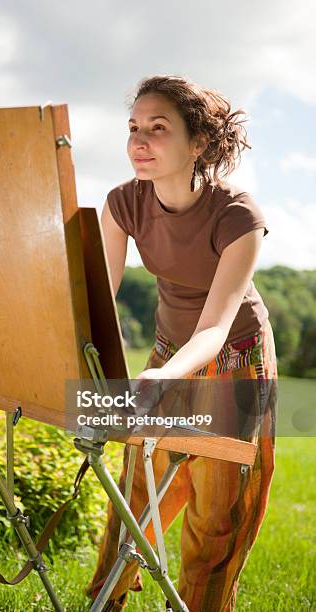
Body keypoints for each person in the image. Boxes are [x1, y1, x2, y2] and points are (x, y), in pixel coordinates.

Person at [86, 75, 278, 611]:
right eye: (133, 128)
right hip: (171, 351)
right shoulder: (122, 203)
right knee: (136, 490)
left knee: (218, 514)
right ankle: (106, 601)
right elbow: (97, 297)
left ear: (199, 144)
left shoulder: (238, 214)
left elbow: (216, 328)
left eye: (158, 128)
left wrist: (166, 377)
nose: (139, 141)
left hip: (235, 357)